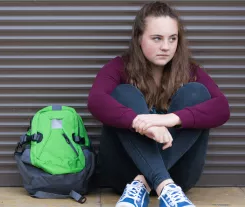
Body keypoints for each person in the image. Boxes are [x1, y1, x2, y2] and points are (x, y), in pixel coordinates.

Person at [87, 1, 230, 207]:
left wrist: (169, 119)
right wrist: (139, 122)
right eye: (157, 38)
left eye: (172, 39)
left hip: (178, 178)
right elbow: (96, 101)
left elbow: (222, 108)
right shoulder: (119, 68)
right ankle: (158, 185)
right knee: (123, 93)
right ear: (138, 38)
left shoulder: (189, 71)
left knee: (197, 93)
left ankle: (151, 183)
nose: (166, 47)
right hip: (125, 178)